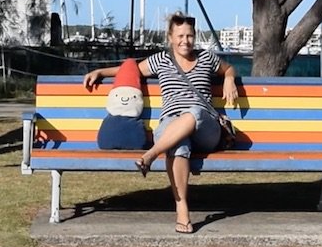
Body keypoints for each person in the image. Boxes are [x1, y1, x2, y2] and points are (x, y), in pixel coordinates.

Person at [83, 12, 238, 234]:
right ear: (170, 37)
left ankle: (151, 155)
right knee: (178, 144)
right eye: (180, 36)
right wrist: (100, 71)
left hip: (205, 128)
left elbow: (228, 68)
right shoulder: (161, 60)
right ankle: (182, 210)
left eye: (190, 36)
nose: (185, 41)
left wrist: (229, 78)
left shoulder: (207, 58)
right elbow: (131, 70)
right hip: (171, 125)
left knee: (194, 112)